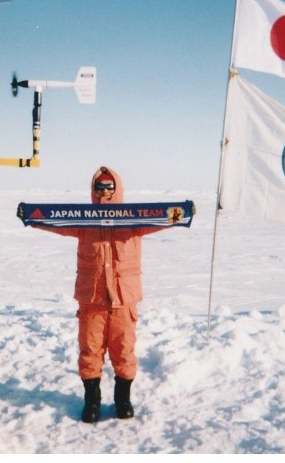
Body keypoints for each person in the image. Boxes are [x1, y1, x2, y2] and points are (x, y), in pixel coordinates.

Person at [27, 166, 184, 423]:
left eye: (109, 186)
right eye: (99, 187)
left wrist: (182, 213)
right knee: (90, 350)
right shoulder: (83, 221)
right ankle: (92, 401)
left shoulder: (134, 220)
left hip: (124, 300)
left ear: (117, 188)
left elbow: (164, 218)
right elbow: (55, 221)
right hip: (92, 299)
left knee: (124, 351)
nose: (104, 191)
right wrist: (32, 217)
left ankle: (123, 399)